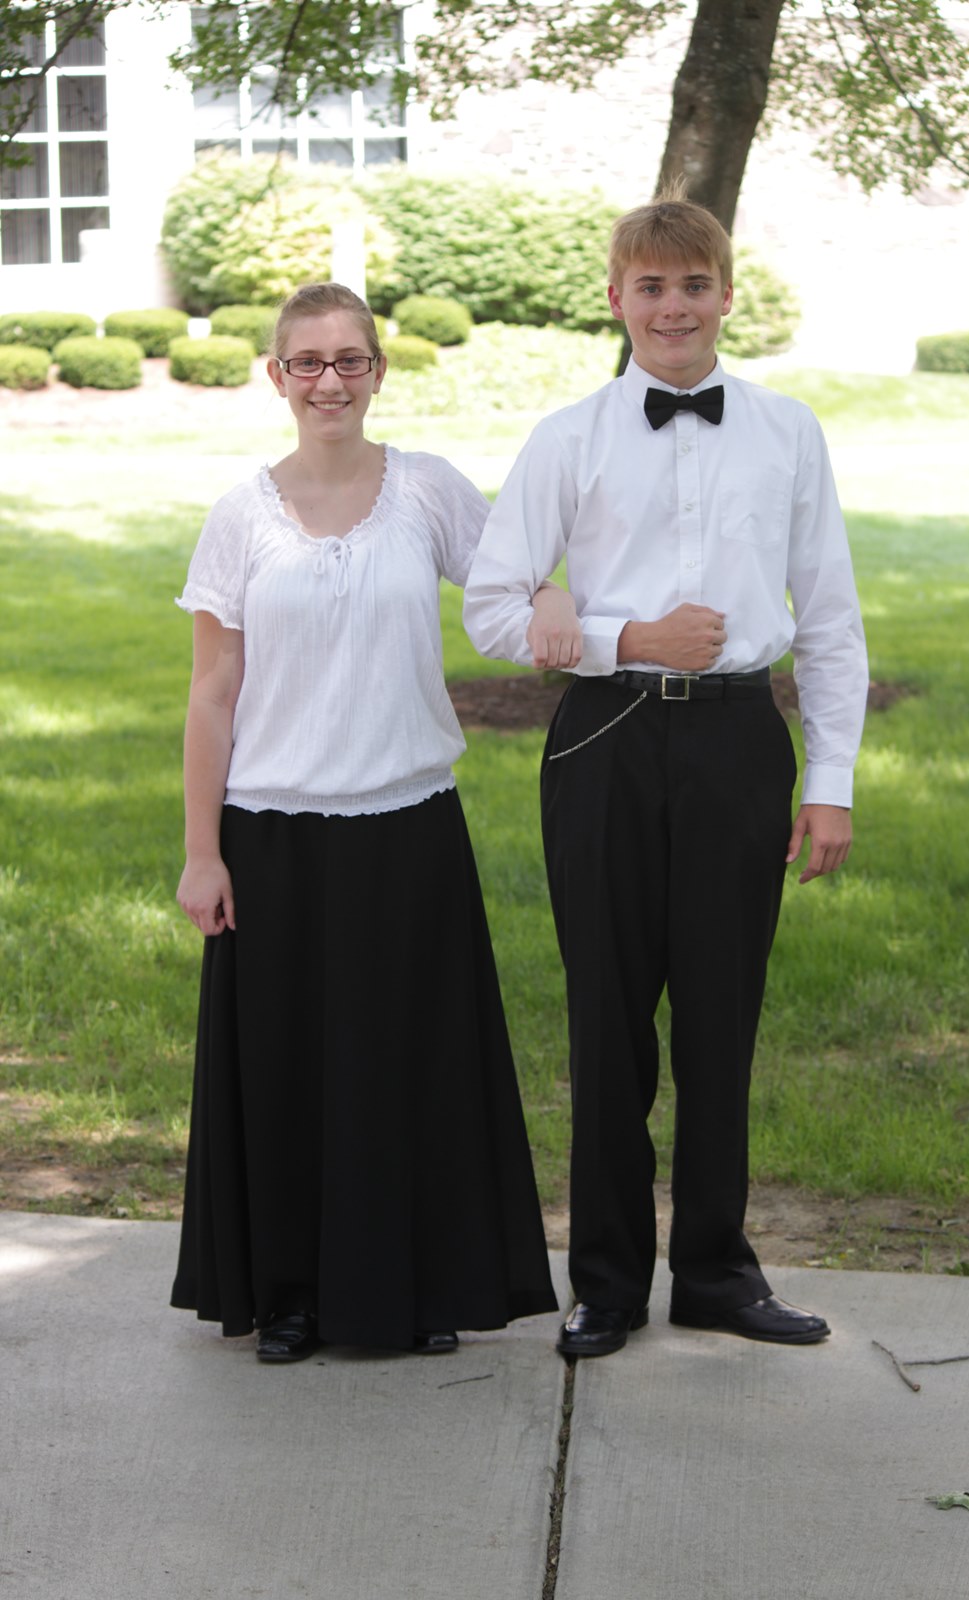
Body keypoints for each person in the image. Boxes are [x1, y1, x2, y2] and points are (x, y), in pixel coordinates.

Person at [463, 195, 868, 1358]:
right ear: (616, 299)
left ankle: (716, 1273)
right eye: (650, 287)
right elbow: (492, 604)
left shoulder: (786, 431)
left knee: (719, 1015)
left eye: (693, 286)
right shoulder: (567, 438)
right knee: (607, 1018)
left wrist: (829, 779)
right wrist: (625, 637)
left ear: (725, 295)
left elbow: (827, 617)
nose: (673, 307)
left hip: (738, 742)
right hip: (604, 742)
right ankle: (604, 1280)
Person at [171, 280, 568, 1362]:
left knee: (409, 1068)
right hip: (273, 834)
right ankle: (292, 1294)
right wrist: (203, 853)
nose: (329, 381)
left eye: (349, 359)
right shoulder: (240, 517)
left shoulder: (428, 490)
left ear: (378, 371)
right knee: (289, 1072)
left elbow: (510, 590)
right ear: (276, 377)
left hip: (407, 826)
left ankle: (416, 1288)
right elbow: (212, 692)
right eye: (307, 362)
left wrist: (554, 600)